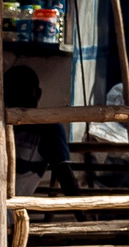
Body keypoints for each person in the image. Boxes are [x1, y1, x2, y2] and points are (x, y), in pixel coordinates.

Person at [6, 65, 78, 196]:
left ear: (37, 94)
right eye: (12, 92)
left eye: (22, 91)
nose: (17, 98)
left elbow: (66, 177)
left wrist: (83, 215)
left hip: (4, 209)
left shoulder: (48, 130)